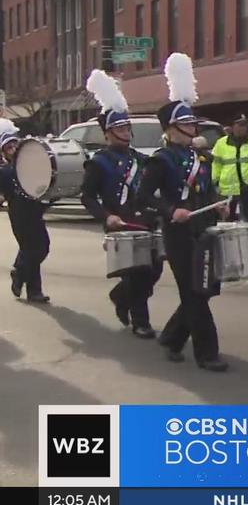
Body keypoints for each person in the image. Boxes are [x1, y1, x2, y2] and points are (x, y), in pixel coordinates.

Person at [137, 53, 230, 371]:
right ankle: (207, 353)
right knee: (195, 291)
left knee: (206, 288)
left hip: (204, 227)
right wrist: (170, 209)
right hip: (178, 232)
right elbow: (144, 196)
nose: (193, 126)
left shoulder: (200, 158)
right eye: (188, 123)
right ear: (172, 128)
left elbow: (206, 189)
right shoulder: (161, 160)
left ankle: (173, 337)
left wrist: (220, 203)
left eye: (193, 122)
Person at [80, 69, 161, 337]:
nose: (125, 132)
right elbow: (87, 196)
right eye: (120, 128)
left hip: (145, 220)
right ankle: (141, 321)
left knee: (153, 272)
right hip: (120, 223)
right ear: (108, 133)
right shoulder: (99, 162)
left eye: (127, 127)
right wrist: (106, 217)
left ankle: (120, 296)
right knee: (137, 272)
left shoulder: (140, 159)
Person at [0, 120, 50, 303]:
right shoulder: (4, 171)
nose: (13, 149)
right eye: (8, 147)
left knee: (42, 247)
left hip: (35, 211)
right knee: (31, 249)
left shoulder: (31, 165)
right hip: (19, 214)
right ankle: (34, 289)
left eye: (15, 145)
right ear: (4, 152)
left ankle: (19, 273)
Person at [211, 113, 248, 221]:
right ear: (232, 127)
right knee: (229, 223)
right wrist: (214, 184)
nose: (243, 127)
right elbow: (216, 165)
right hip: (228, 192)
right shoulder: (221, 143)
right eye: (239, 125)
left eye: (245, 124)